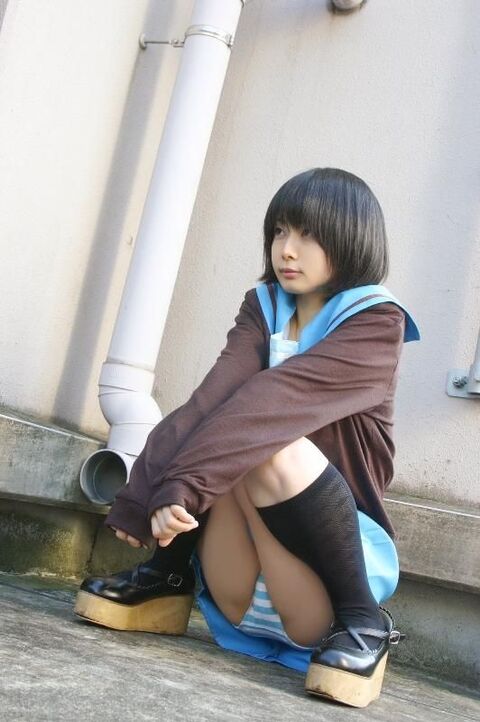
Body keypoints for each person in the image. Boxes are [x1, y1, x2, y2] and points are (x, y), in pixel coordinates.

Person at [75, 167, 420, 708]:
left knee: (268, 440)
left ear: (351, 240)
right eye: (280, 231)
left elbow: (271, 403)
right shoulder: (265, 306)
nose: (287, 249)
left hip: (318, 594)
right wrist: (144, 493)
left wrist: (183, 483)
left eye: (308, 235)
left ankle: (364, 620)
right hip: (235, 587)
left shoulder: (376, 322)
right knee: (220, 414)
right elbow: (211, 399)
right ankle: (167, 577)